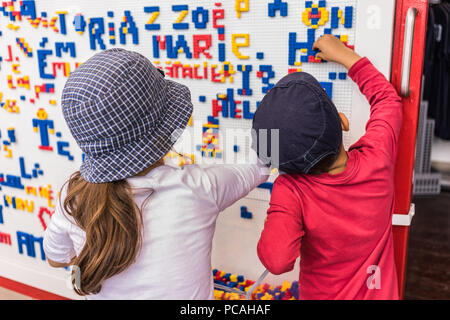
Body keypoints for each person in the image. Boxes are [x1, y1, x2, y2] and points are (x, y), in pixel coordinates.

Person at [43, 48, 269, 299]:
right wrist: (281, 119)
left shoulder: (72, 196)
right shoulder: (198, 186)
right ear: (165, 129)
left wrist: (99, 261)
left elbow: (56, 257)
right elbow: (256, 168)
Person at [253, 34, 402, 299]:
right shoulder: (378, 157)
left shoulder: (291, 190)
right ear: (343, 122)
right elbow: (388, 101)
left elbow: (277, 261)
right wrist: (347, 57)